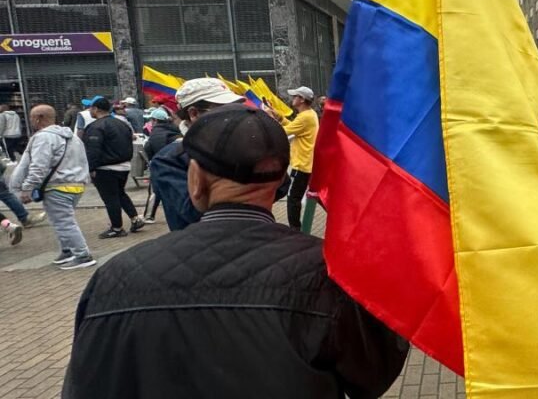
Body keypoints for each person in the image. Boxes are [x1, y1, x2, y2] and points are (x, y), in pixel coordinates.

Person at [62, 105, 409, 398]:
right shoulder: (330, 272)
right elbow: (373, 374)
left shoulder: (114, 278)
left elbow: (86, 385)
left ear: (196, 178)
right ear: (280, 181)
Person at [151, 78, 245, 231]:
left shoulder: (243, 145)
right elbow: (193, 211)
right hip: (200, 242)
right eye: (224, 111)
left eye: (237, 110)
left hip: (250, 239)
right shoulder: (169, 159)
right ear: (194, 113)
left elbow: (279, 188)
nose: (234, 118)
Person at [10, 105, 94, 269]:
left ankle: (82, 255)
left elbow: (38, 166)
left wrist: (27, 188)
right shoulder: (72, 137)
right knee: (61, 221)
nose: (30, 121)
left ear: (38, 118)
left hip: (57, 186)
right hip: (76, 184)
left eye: (31, 117)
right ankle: (67, 250)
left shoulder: (43, 138)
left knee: (64, 222)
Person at [81, 96, 144, 238]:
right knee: (120, 194)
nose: (89, 111)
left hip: (105, 168)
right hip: (124, 166)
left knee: (110, 198)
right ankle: (135, 219)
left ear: (96, 109)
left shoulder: (95, 127)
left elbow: (93, 150)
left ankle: (117, 228)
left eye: (90, 108)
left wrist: (91, 168)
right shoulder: (122, 124)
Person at [264, 86, 319, 230]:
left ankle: (294, 229)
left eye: (295, 96)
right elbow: (293, 127)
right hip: (305, 164)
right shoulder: (309, 114)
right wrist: (279, 117)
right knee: (293, 193)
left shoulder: (305, 117)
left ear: (302, 100)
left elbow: (283, 132)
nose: (292, 99)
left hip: (301, 165)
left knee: (292, 198)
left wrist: (269, 118)